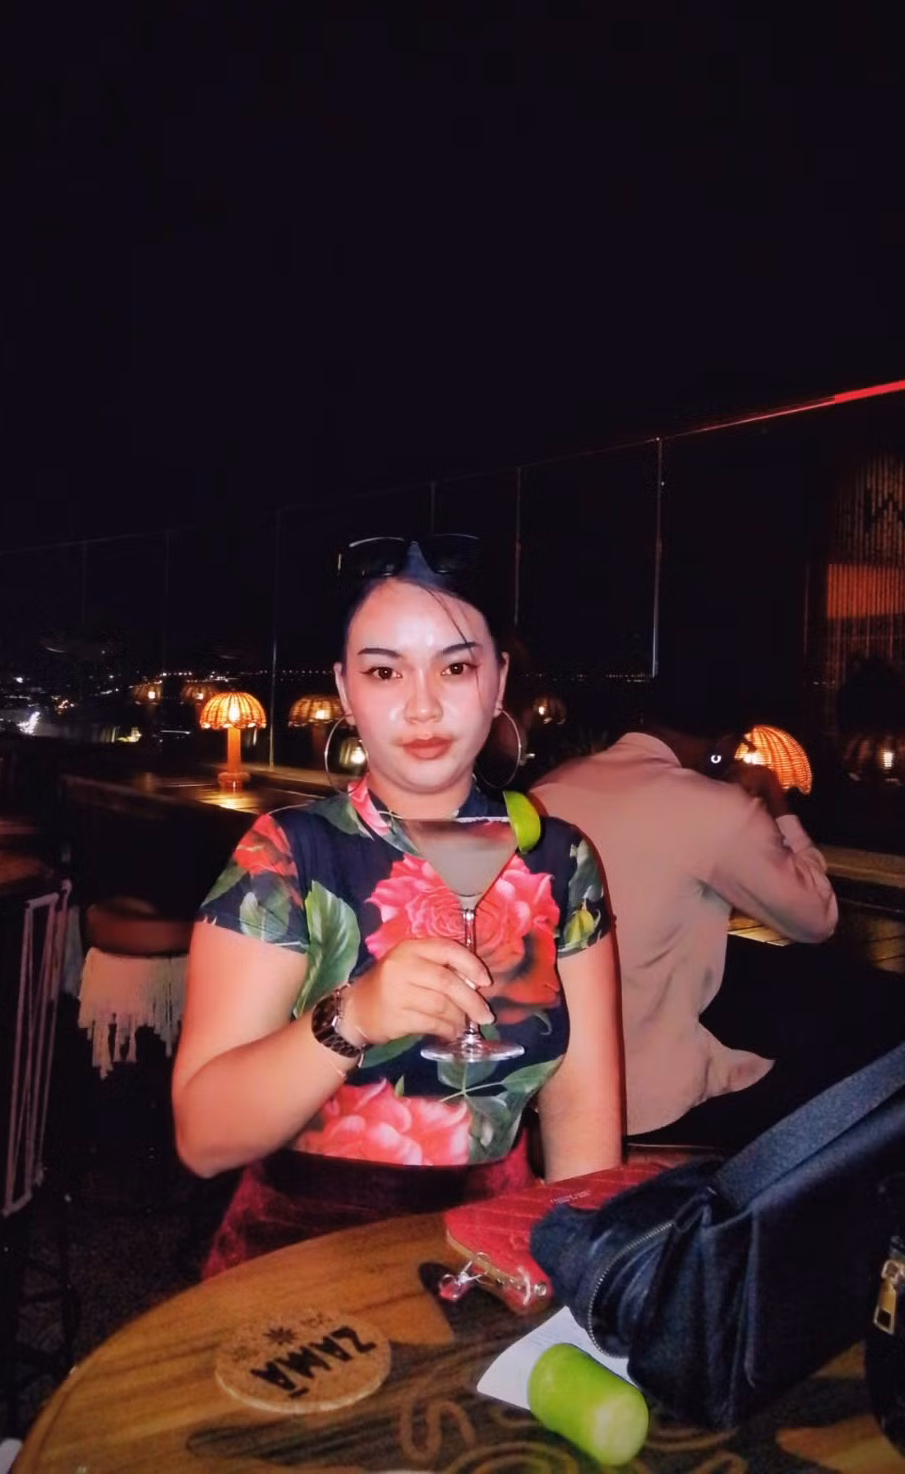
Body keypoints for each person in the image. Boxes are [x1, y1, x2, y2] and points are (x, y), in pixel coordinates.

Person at [173, 536, 622, 1274]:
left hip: (491, 1257)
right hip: (297, 1258)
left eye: (456, 667)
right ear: (346, 691)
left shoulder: (559, 860)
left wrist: (585, 1283)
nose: (422, 705)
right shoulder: (284, 855)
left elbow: (583, 1122)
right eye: (385, 671)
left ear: (499, 681)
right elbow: (202, 1138)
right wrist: (352, 1018)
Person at [531, 691, 848, 1148]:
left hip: (542, 1090)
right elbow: (817, 918)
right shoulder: (716, 808)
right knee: (834, 1082)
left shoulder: (547, 791)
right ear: (722, 745)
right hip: (649, 1101)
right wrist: (775, 800)